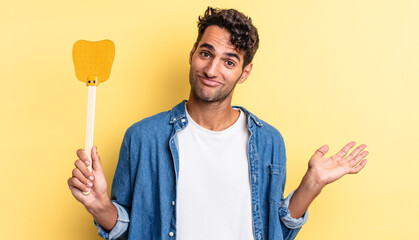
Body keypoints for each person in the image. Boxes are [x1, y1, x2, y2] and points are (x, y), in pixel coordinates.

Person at [68, 7, 368, 240]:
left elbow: (275, 232)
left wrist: (311, 184)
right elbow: (132, 232)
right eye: (206, 53)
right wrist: (99, 206)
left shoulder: (268, 141)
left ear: (245, 72)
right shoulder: (143, 137)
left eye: (229, 61)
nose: (212, 69)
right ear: (192, 55)